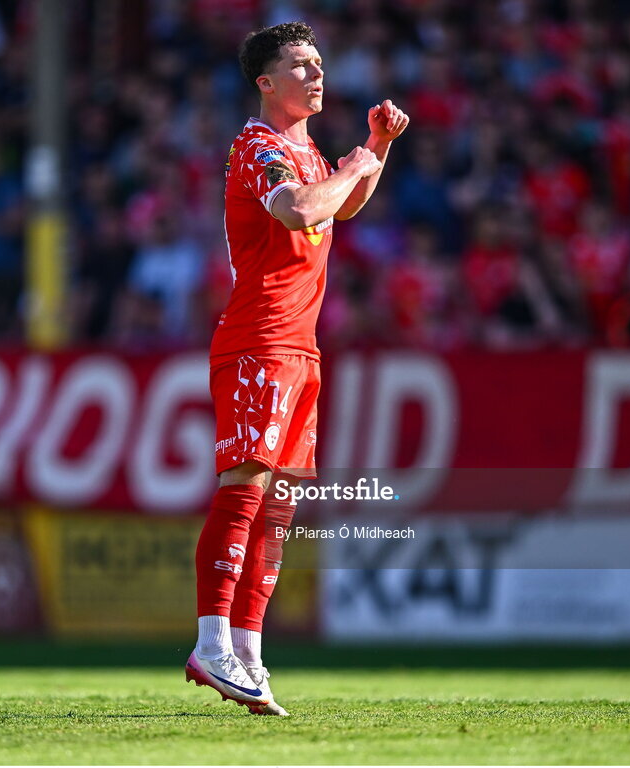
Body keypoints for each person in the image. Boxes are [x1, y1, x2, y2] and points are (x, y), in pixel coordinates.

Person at [185, 21, 409, 716]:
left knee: (279, 507)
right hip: (258, 342)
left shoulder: (308, 150)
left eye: (319, 64)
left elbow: (340, 202)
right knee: (244, 488)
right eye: (301, 65)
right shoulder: (258, 147)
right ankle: (211, 642)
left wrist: (375, 149)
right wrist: (355, 167)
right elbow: (298, 210)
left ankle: (249, 651)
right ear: (266, 82)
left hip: (300, 346)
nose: (317, 75)